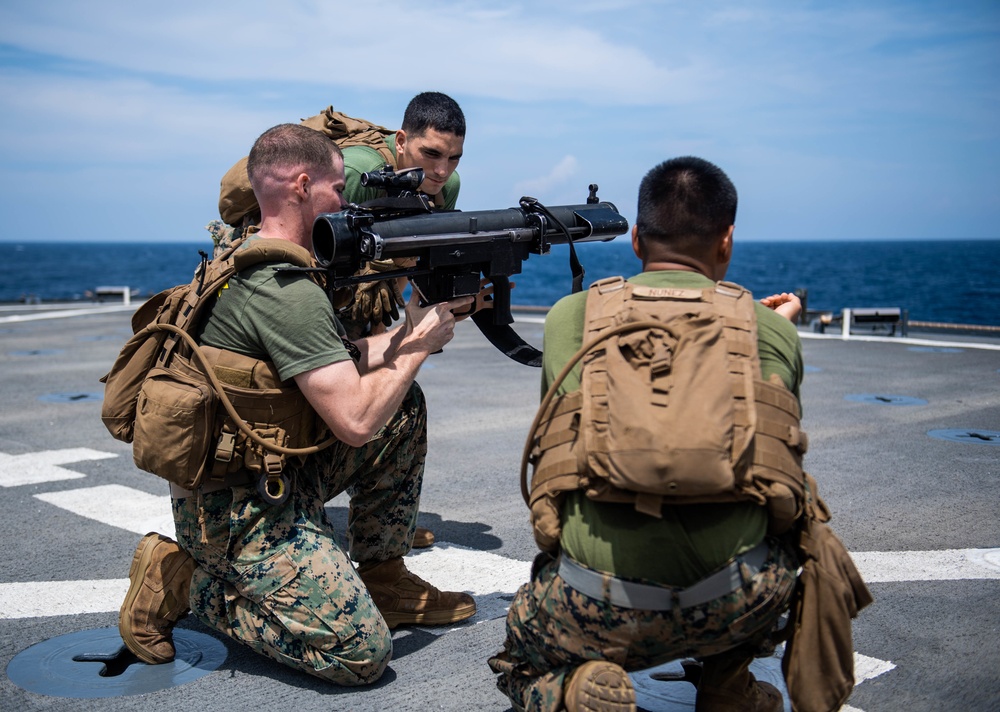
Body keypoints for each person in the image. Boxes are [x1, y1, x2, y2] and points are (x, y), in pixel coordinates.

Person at [119, 123, 479, 685]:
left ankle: (384, 577)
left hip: (271, 467)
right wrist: (420, 349)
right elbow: (355, 421)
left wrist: (409, 332)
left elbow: (339, 358)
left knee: (402, 411)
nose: (345, 201)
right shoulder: (285, 289)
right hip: (235, 508)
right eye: (338, 189)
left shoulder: (255, 261)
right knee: (359, 652)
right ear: (303, 186)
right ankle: (183, 578)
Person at [488, 157, 808, 712]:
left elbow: (555, 461)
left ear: (636, 238)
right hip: (738, 601)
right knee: (778, 527)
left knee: (514, 661)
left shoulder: (569, 317)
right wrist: (768, 328)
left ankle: (567, 692)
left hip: (597, 604)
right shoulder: (771, 331)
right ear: (726, 241)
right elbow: (773, 473)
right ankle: (727, 686)